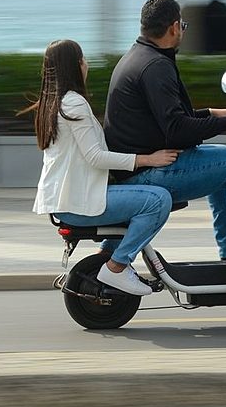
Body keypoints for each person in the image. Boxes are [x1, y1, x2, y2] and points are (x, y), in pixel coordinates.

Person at [103, 0, 226, 283]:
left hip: (140, 168)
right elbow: (177, 130)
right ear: (173, 27)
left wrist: (211, 113)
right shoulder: (156, 66)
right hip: (150, 174)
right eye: (182, 25)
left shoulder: (137, 57)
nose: (182, 30)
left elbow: (164, 119)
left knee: (223, 160)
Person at [27, 39, 180, 296]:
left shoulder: (51, 104)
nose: (87, 64)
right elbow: (95, 157)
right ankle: (117, 267)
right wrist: (147, 159)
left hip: (66, 201)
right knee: (158, 200)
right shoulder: (74, 103)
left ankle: (103, 261)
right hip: (78, 203)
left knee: (139, 197)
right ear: (74, 66)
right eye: (83, 59)